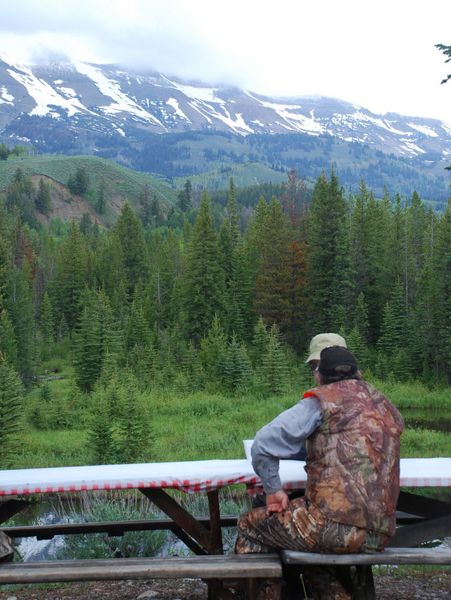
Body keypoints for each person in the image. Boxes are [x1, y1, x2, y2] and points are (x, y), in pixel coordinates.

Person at [236, 346, 404, 600]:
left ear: (319, 377)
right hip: (380, 532)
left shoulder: (321, 401)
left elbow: (263, 444)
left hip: (329, 525)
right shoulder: (386, 405)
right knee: (310, 545)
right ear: (358, 374)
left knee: (250, 524)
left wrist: (273, 490)